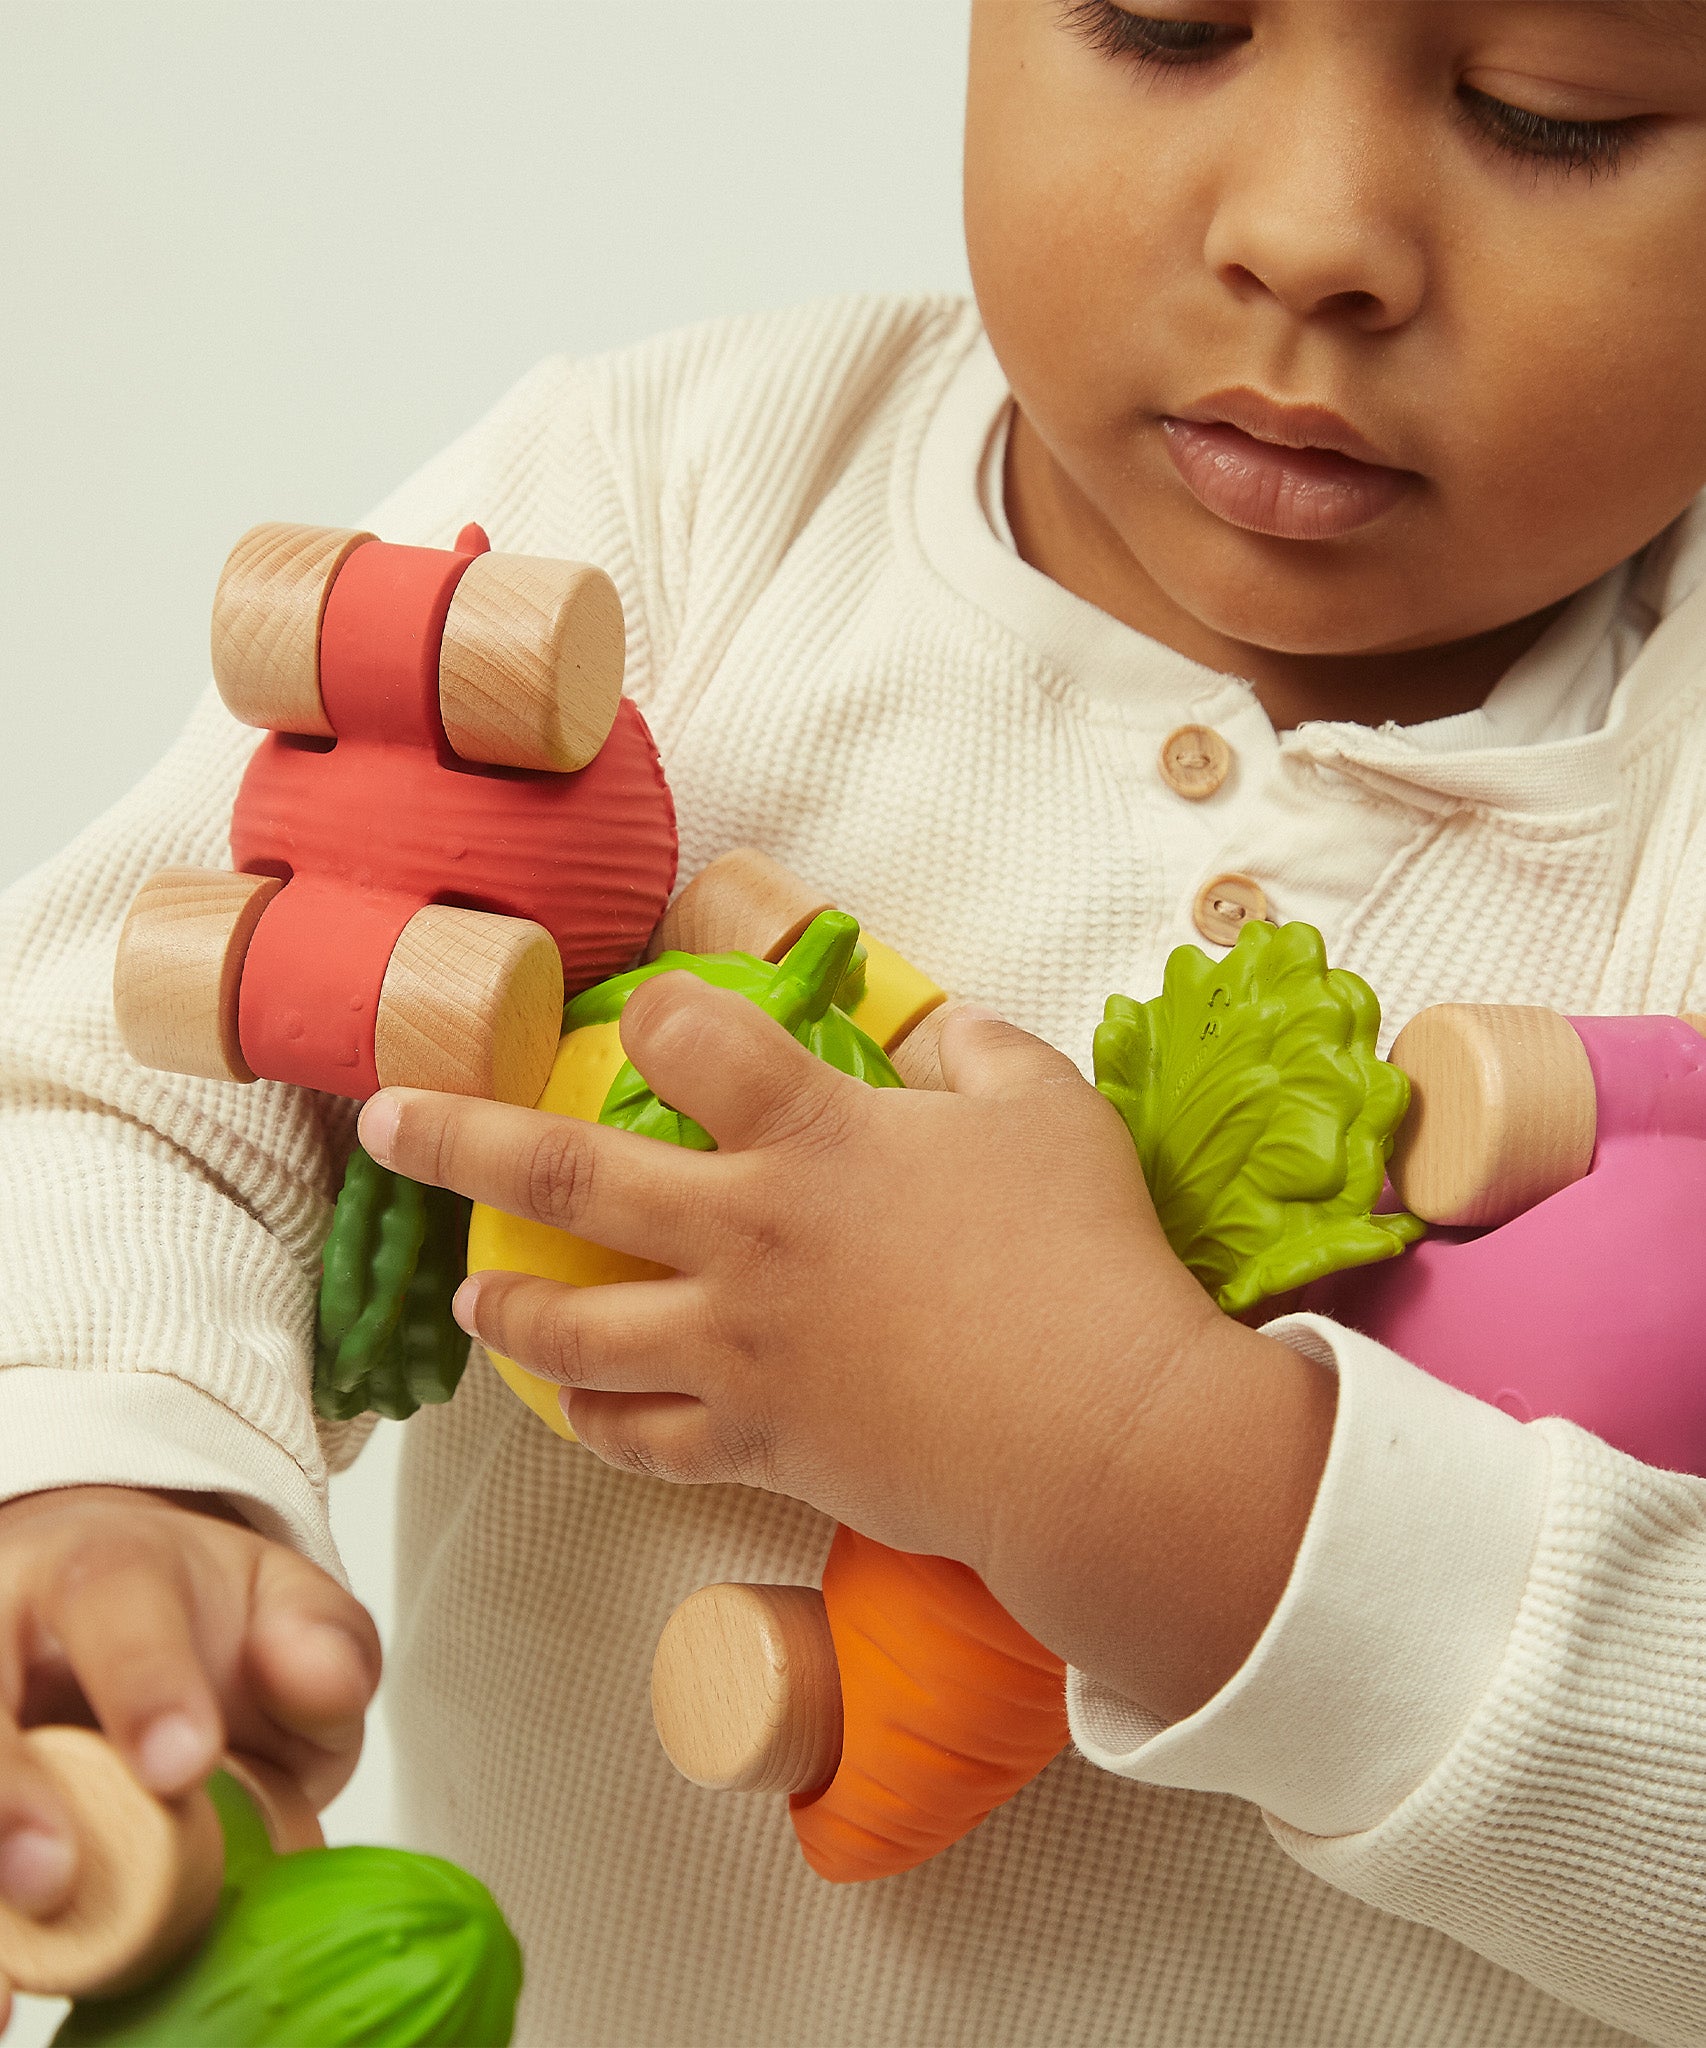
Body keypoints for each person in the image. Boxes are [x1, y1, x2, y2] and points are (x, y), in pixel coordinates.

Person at [3, 2, 1705, 2041]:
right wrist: (122, 1470)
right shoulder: (666, 517)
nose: (1308, 233)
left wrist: (1165, 1480)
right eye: (1163, 27)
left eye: (1552, 116)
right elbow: (126, 1077)